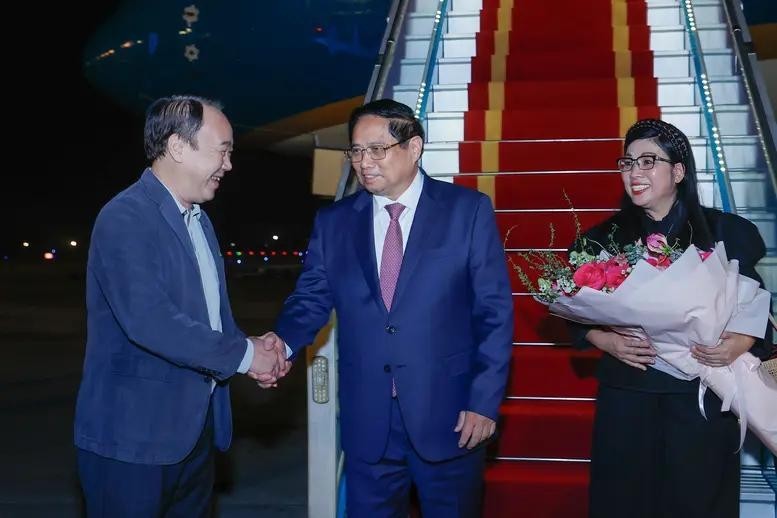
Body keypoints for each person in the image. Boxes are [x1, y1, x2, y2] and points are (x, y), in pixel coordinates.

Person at [263, 99, 514, 517]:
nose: (364, 162)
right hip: (369, 420)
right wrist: (280, 345)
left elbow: (494, 313)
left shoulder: (466, 211)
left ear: (414, 148)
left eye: (377, 149)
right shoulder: (335, 222)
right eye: (357, 151)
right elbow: (310, 299)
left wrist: (484, 402)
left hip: (450, 415)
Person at [74, 95, 289, 517]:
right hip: (134, 443)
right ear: (177, 147)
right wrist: (247, 357)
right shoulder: (126, 217)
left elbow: (208, 320)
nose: (228, 164)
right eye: (222, 151)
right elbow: (150, 321)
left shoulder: (199, 221)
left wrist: (250, 348)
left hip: (195, 435)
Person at [568, 118, 773, 518]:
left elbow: (754, 301)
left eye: (648, 161)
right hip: (629, 389)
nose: (635, 173)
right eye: (627, 163)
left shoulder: (725, 232)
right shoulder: (601, 239)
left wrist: (741, 341)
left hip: (703, 390)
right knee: (626, 498)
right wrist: (603, 340)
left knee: (699, 498)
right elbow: (572, 310)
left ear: (678, 172)